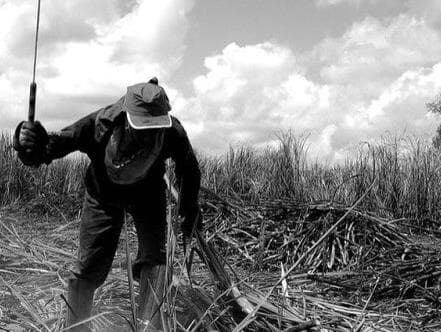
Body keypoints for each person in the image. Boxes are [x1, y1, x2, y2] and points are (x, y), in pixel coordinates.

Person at [13, 77, 202, 331]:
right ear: (127, 117)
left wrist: (189, 212)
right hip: (103, 194)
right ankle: (77, 326)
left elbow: (190, 171)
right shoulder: (99, 125)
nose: (148, 134)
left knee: (156, 261)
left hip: (148, 195)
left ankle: (150, 325)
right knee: (88, 266)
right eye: (142, 127)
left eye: (154, 127)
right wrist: (28, 142)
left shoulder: (171, 132)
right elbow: (49, 148)